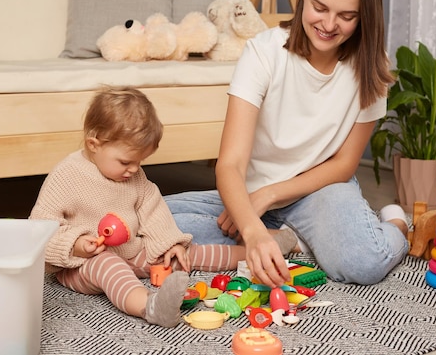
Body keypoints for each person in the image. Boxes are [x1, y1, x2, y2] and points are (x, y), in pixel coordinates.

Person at [165, 0, 409, 289]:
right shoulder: (264, 53)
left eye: (346, 16)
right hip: (250, 193)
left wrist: (269, 196)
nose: (328, 24)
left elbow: (343, 165)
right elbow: (230, 164)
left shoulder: (371, 67)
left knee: (363, 262)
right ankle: (288, 240)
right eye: (320, 7)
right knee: (149, 223)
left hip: (320, 190)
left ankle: (395, 225)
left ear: (364, 15)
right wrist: (251, 225)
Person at [29, 86, 299, 327]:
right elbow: (39, 228)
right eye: (125, 162)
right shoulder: (67, 175)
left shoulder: (134, 175)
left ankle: (256, 252)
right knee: (110, 265)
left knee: (188, 253)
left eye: (139, 162)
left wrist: (170, 244)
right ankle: (150, 306)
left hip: (133, 250)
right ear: (94, 144)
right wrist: (76, 244)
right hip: (82, 264)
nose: (133, 170)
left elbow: (152, 209)